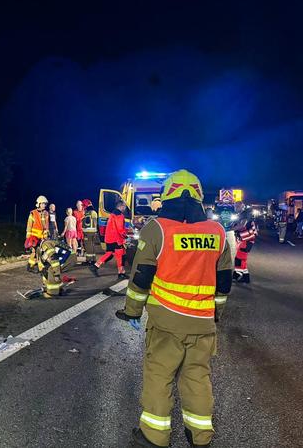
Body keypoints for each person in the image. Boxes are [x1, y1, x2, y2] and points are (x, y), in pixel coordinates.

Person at [115, 169, 233, 448]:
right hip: (203, 323)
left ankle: (154, 436)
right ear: (199, 196)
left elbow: (141, 276)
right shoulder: (217, 232)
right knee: (197, 377)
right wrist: (216, 313)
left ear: (166, 195)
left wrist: (132, 310)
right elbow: (224, 281)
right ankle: (201, 435)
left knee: (159, 374)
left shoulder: (156, 229)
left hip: (166, 322)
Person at [88, 200, 129, 281]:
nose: (125, 208)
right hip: (116, 239)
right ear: (121, 206)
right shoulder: (119, 215)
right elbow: (120, 229)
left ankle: (95, 266)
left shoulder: (112, 214)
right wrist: (126, 236)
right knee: (120, 255)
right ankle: (121, 273)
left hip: (109, 238)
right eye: (124, 206)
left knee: (109, 254)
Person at [232, 201, 258, 284]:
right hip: (244, 239)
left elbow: (242, 225)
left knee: (240, 258)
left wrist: (230, 229)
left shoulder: (245, 214)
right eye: (235, 206)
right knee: (241, 257)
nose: (236, 208)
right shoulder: (242, 214)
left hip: (247, 239)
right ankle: (246, 276)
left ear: (242, 206)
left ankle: (238, 274)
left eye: (237, 206)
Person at [25, 195, 50, 273]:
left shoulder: (46, 213)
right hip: (34, 236)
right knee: (35, 252)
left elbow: (46, 225)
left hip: (42, 237)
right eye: (43, 204)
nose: (44, 205)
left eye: (45, 204)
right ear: (39, 204)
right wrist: (28, 237)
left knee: (39, 252)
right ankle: (40, 268)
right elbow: (29, 226)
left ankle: (31, 265)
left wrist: (46, 235)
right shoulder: (33, 213)